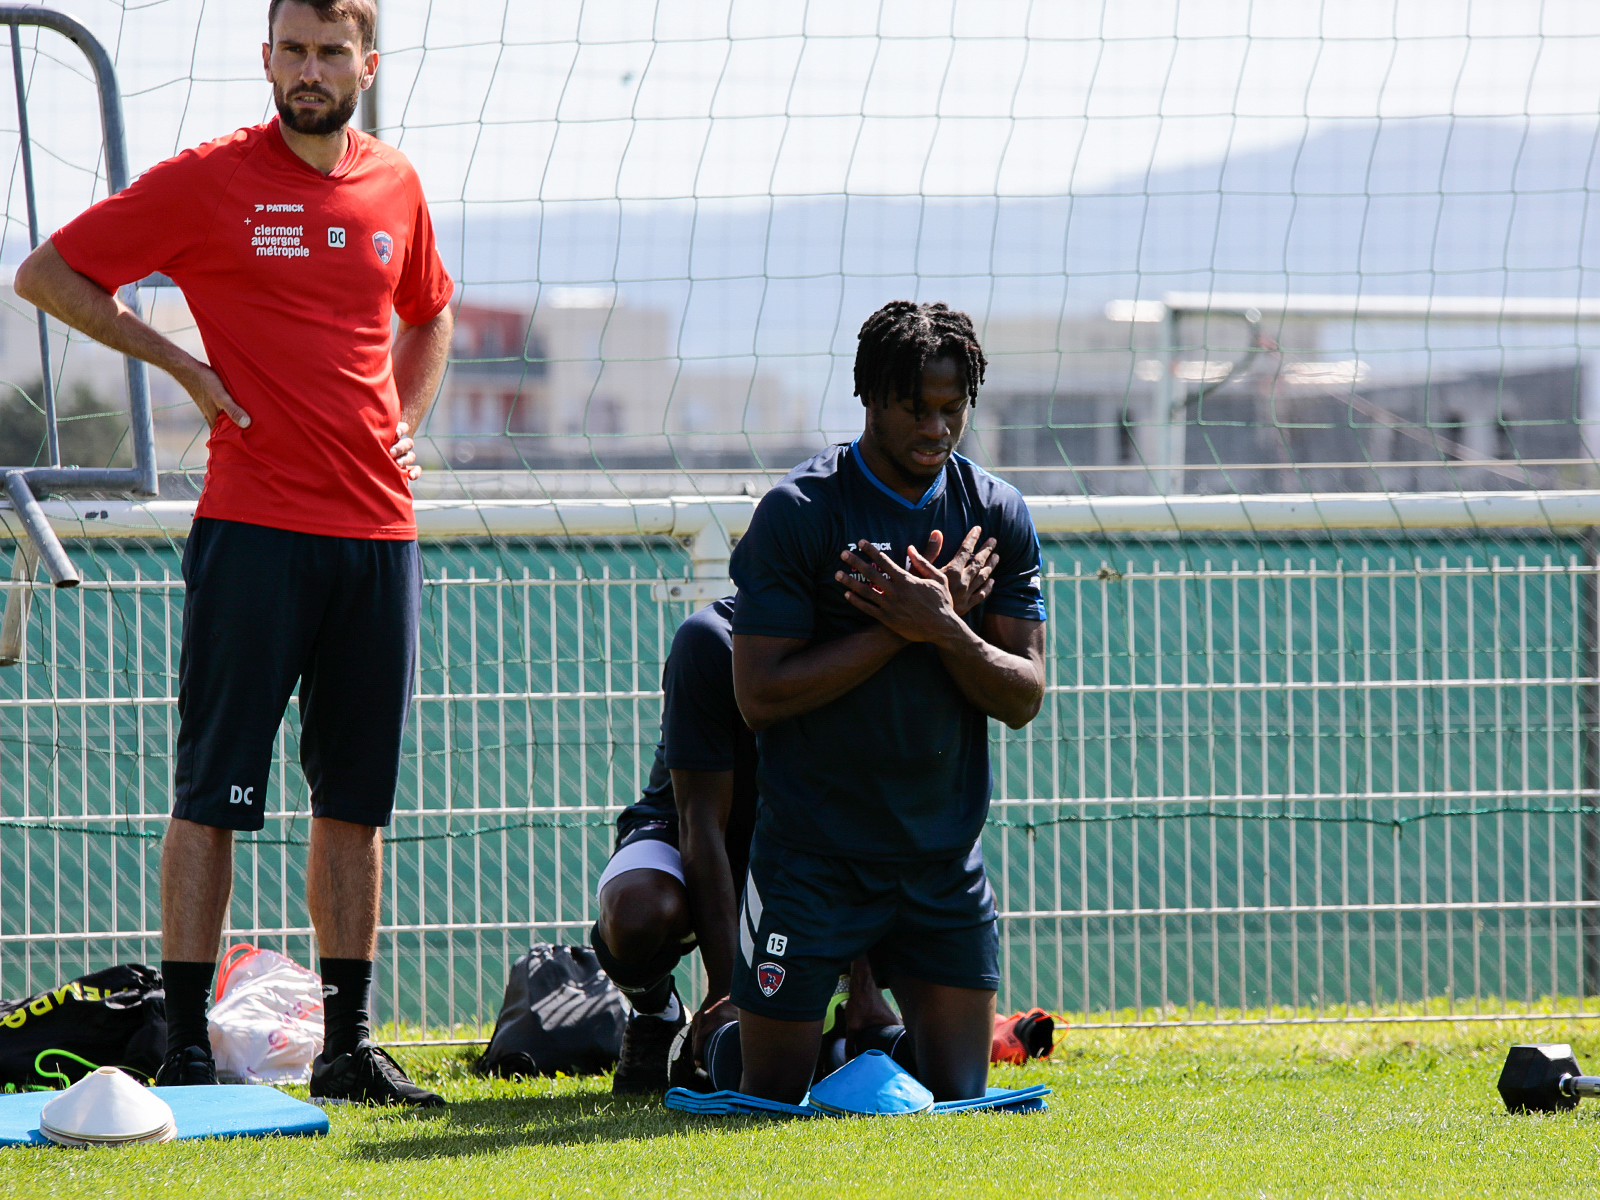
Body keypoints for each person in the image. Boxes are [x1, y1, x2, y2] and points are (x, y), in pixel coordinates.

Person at [14, 0, 454, 1106]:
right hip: (253, 533)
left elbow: (430, 311)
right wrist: (181, 366)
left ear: (365, 64)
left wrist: (406, 418)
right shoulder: (209, 179)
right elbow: (50, 275)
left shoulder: (396, 183)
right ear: (266, 57)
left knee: (354, 805)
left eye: (330, 52)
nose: (310, 70)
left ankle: (348, 1048)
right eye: (292, 50)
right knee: (211, 795)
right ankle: (183, 1049)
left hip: (376, 537)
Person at [728, 300, 1048, 1104]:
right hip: (811, 859)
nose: (937, 428)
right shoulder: (800, 512)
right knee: (766, 1100)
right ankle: (723, 1043)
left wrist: (942, 627)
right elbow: (759, 694)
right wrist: (905, 627)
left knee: (960, 1098)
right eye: (915, 407)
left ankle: (866, 1044)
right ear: (869, 395)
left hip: (940, 862)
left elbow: (1024, 696)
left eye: (952, 408)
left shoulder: (995, 516)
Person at [592, 537, 1002, 1094]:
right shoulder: (709, 639)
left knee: (893, 874)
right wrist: (726, 992)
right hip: (695, 828)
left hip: (805, 835)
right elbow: (700, 824)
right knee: (639, 912)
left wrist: (865, 996)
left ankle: (840, 1029)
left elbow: (865, 813)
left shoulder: (873, 638)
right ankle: (655, 1012)